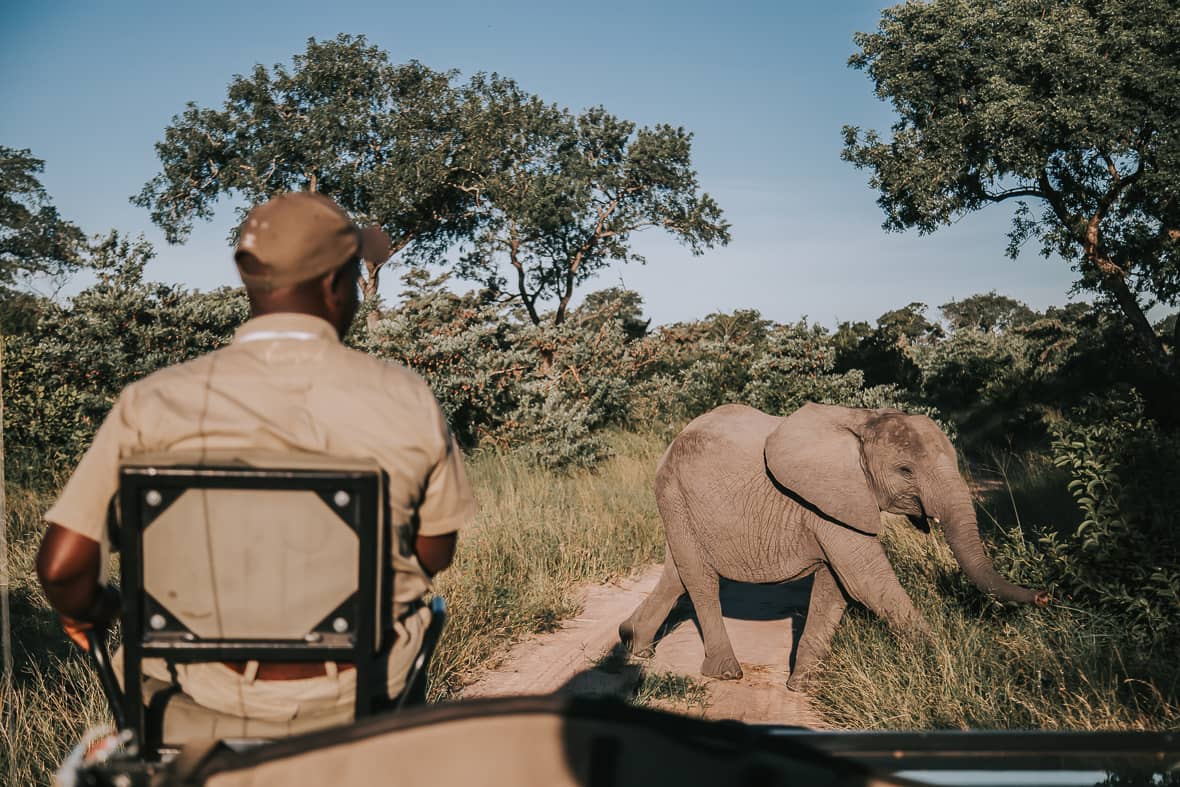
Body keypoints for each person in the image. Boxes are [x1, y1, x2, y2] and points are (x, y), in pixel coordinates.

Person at [35, 191, 475, 723]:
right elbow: (435, 552)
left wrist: (93, 613)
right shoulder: (407, 397)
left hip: (197, 694)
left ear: (251, 280)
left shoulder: (152, 402)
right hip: (355, 695)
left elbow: (62, 568)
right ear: (336, 284)